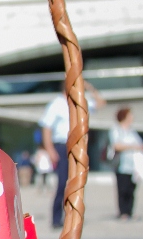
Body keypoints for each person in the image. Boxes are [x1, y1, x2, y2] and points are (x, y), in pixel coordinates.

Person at [39, 81, 105, 229]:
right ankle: (56, 218)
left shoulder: (79, 102)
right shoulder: (56, 104)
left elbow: (101, 103)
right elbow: (46, 128)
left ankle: (73, 216)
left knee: (76, 183)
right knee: (62, 183)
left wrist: (90, 87)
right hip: (62, 145)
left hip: (78, 145)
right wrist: (50, 150)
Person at [109, 107, 143, 220]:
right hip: (122, 164)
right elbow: (116, 145)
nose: (132, 117)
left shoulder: (132, 130)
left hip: (133, 165)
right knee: (122, 189)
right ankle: (123, 212)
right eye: (130, 115)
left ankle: (130, 211)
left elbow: (141, 144)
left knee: (132, 189)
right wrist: (133, 146)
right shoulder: (116, 129)